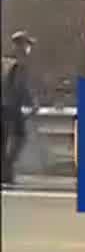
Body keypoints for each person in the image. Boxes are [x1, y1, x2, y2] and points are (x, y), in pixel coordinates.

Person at [1, 31, 34, 186]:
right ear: (20, 45)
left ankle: (5, 172)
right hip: (11, 107)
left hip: (5, 106)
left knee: (4, 140)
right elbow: (20, 87)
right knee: (19, 137)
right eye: (28, 44)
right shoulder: (18, 63)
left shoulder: (5, 60)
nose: (29, 48)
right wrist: (32, 103)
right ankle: (6, 169)